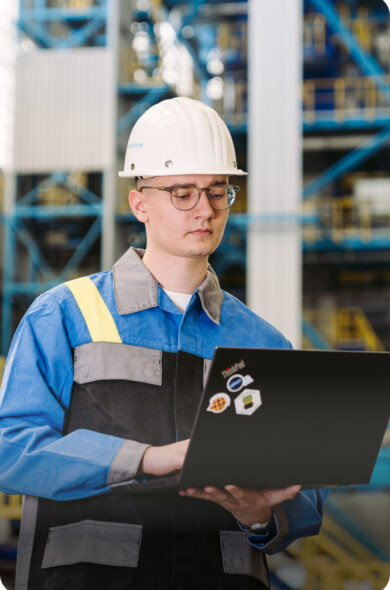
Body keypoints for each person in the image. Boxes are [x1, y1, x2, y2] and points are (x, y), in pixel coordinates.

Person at [0, 97, 328, 590]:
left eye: (218, 191)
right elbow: (11, 449)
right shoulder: (65, 314)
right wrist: (149, 459)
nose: (205, 210)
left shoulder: (261, 340)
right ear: (139, 204)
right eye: (182, 193)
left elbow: (307, 493)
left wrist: (262, 515)